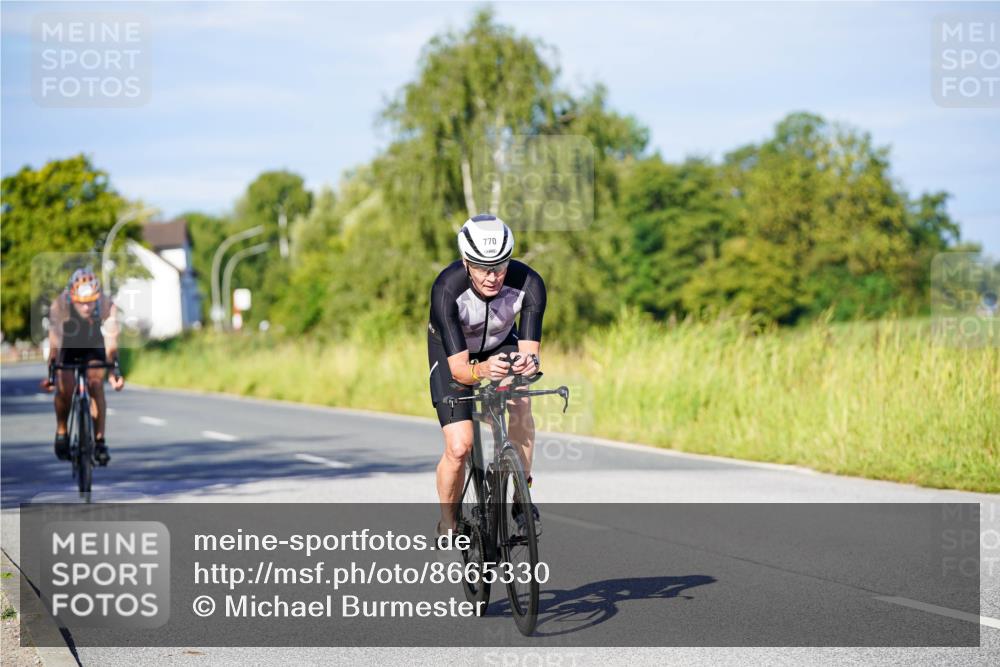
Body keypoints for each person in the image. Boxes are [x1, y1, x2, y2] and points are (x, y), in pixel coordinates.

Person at [427, 214, 546, 537]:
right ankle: (448, 522)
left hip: (499, 344)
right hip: (453, 354)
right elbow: (461, 371)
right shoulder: (446, 289)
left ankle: (522, 496)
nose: (493, 277)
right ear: (466, 262)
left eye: (501, 266)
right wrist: (481, 371)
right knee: (459, 446)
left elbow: (530, 351)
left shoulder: (529, 283)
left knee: (520, 402)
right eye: (482, 267)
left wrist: (528, 363)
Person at [41, 268, 125, 465]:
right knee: (65, 388)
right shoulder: (60, 305)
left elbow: (111, 340)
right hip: (68, 343)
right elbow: (55, 341)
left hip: (92, 343)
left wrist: (114, 371)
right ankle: (62, 430)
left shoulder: (106, 304)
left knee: (95, 384)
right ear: (72, 297)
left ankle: (100, 441)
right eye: (82, 303)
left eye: (90, 302)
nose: (87, 307)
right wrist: (52, 374)